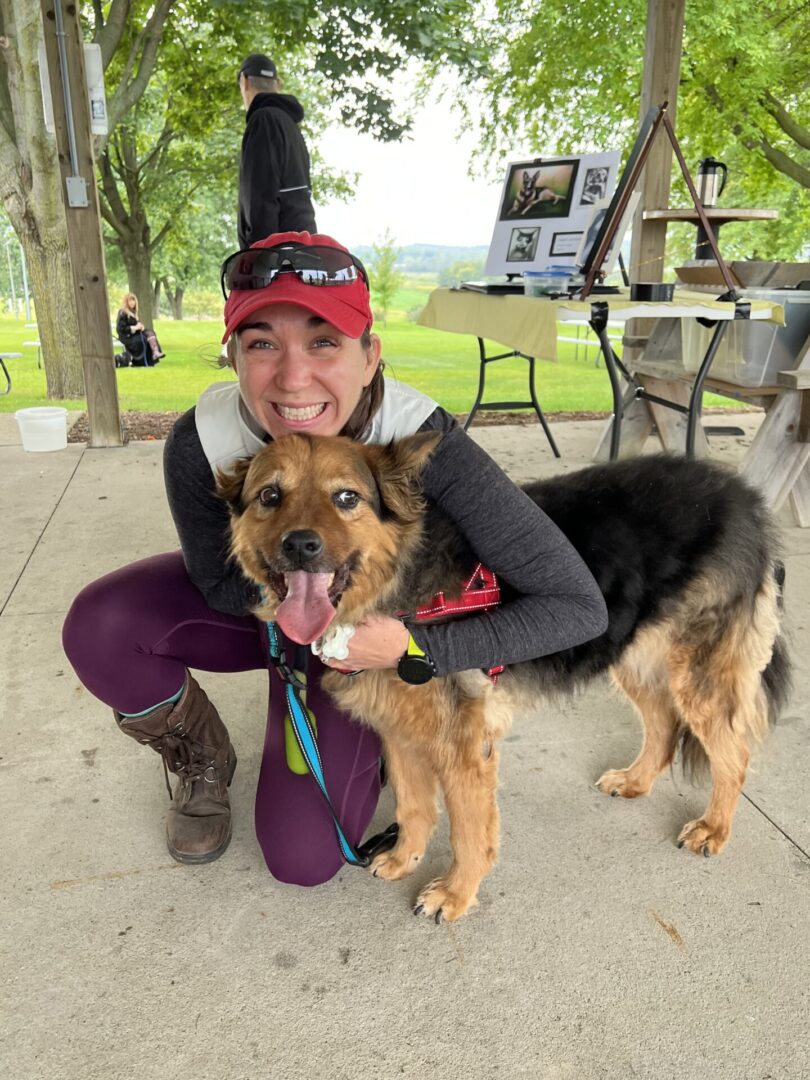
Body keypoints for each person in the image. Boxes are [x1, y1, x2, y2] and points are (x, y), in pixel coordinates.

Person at [63, 230, 608, 887]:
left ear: (371, 355)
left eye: (324, 341)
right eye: (262, 343)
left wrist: (411, 649)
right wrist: (297, 609)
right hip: (267, 612)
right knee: (101, 625)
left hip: (377, 636)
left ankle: (371, 741)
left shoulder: (421, 438)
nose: (293, 378)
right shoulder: (200, 440)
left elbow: (577, 608)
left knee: (303, 859)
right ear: (231, 353)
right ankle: (203, 756)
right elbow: (214, 582)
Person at [237, 53, 317, 248]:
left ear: (244, 82)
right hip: (304, 251)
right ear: (277, 84)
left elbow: (260, 203)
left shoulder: (262, 121)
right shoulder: (291, 126)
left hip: (277, 261)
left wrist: (258, 262)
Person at [116, 293, 165, 365]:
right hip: (127, 336)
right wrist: (135, 328)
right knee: (143, 340)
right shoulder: (123, 312)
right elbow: (121, 329)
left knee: (150, 333)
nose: (132, 302)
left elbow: (135, 324)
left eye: (134, 300)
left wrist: (140, 327)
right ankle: (141, 361)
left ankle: (156, 352)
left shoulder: (133, 312)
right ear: (126, 302)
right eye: (130, 301)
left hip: (134, 334)